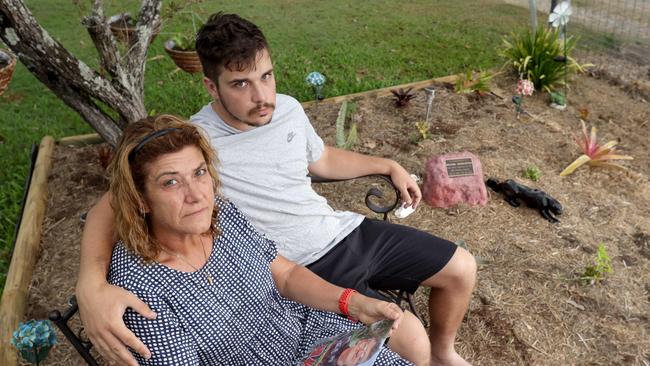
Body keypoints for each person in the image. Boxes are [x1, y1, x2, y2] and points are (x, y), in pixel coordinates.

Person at [76, 12, 476, 366]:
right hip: (300, 264)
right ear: (212, 87)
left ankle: (446, 354)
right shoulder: (193, 143)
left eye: (266, 76)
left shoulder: (285, 108)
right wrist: (90, 285)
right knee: (410, 341)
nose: (261, 97)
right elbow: (116, 202)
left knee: (462, 267)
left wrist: (387, 165)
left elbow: (319, 160)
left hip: (340, 231)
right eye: (241, 84)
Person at [101, 114, 411, 365]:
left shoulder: (222, 215)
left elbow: (286, 275)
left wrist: (354, 304)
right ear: (140, 200)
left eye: (199, 173)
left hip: (312, 335)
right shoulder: (140, 288)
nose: (197, 196)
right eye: (171, 182)